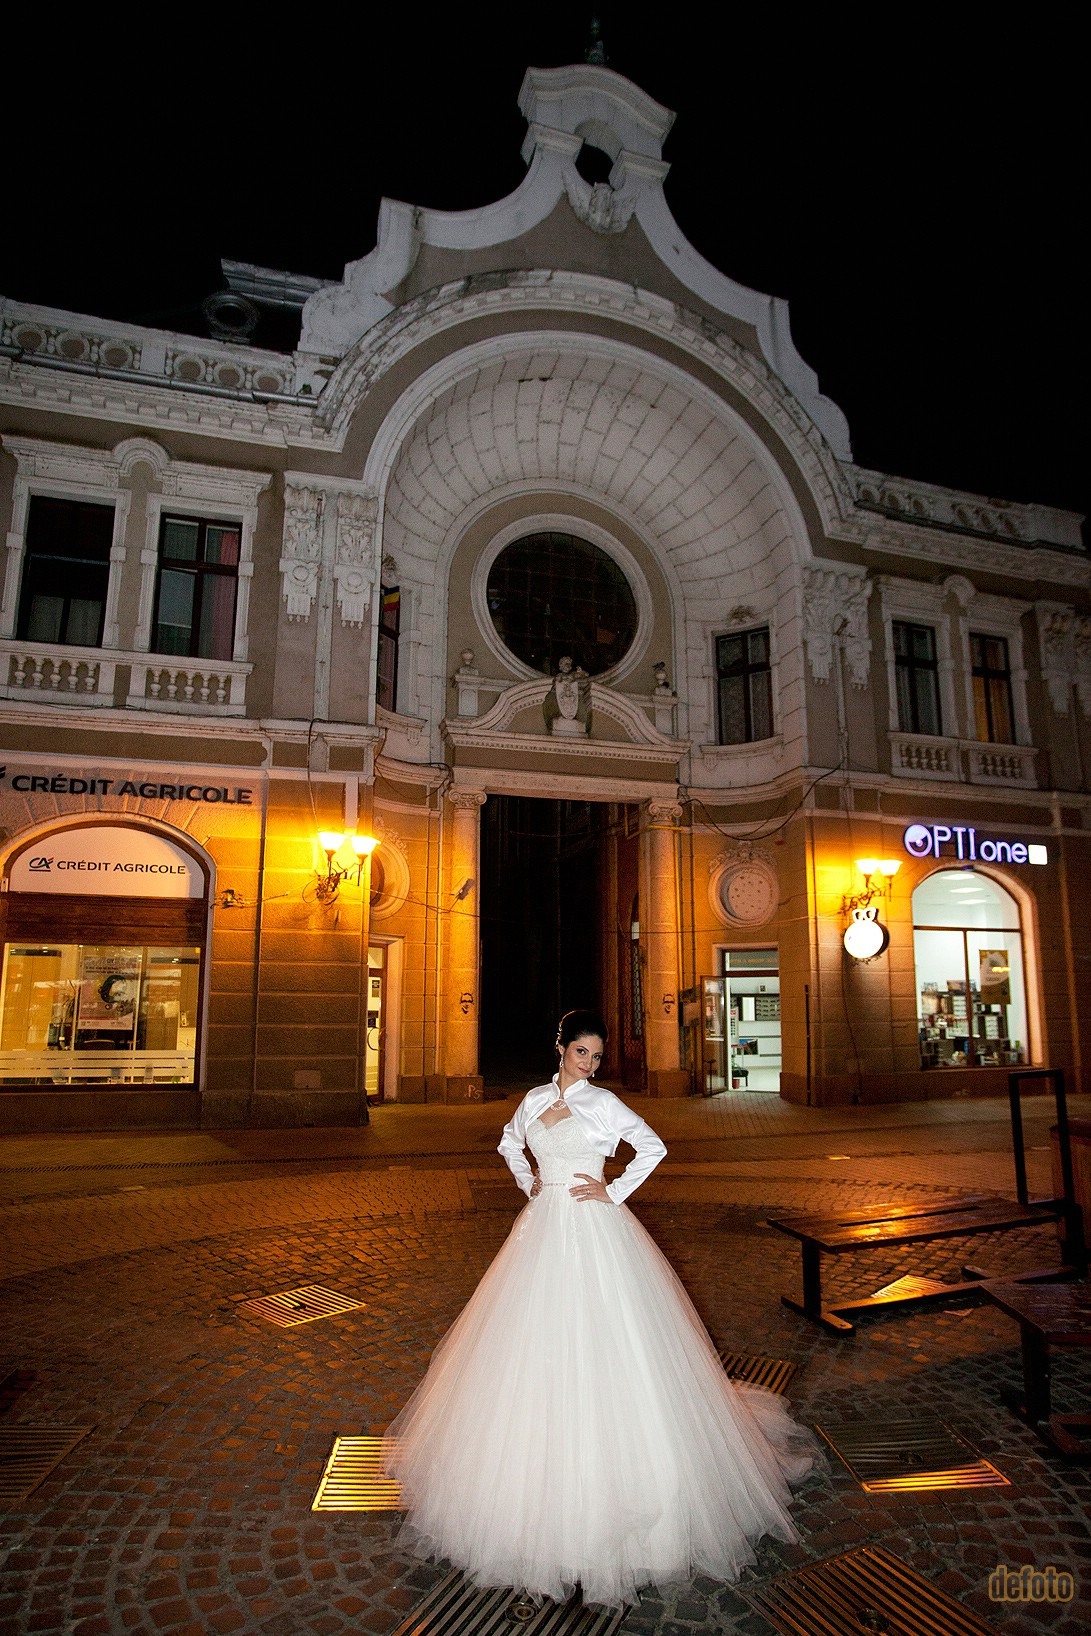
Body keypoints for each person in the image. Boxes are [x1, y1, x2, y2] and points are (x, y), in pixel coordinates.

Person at [385, 1009, 818, 1609]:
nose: (588, 1063)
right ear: (560, 1047)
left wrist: (611, 1190)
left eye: (596, 1055)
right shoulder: (534, 1099)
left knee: (614, 1341)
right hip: (541, 1230)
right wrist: (528, 1181)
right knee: (525, 1345)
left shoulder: (603, 1103)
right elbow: (508, 1143)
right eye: (581, 1052)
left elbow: (652, 1147)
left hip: (595, 1229)